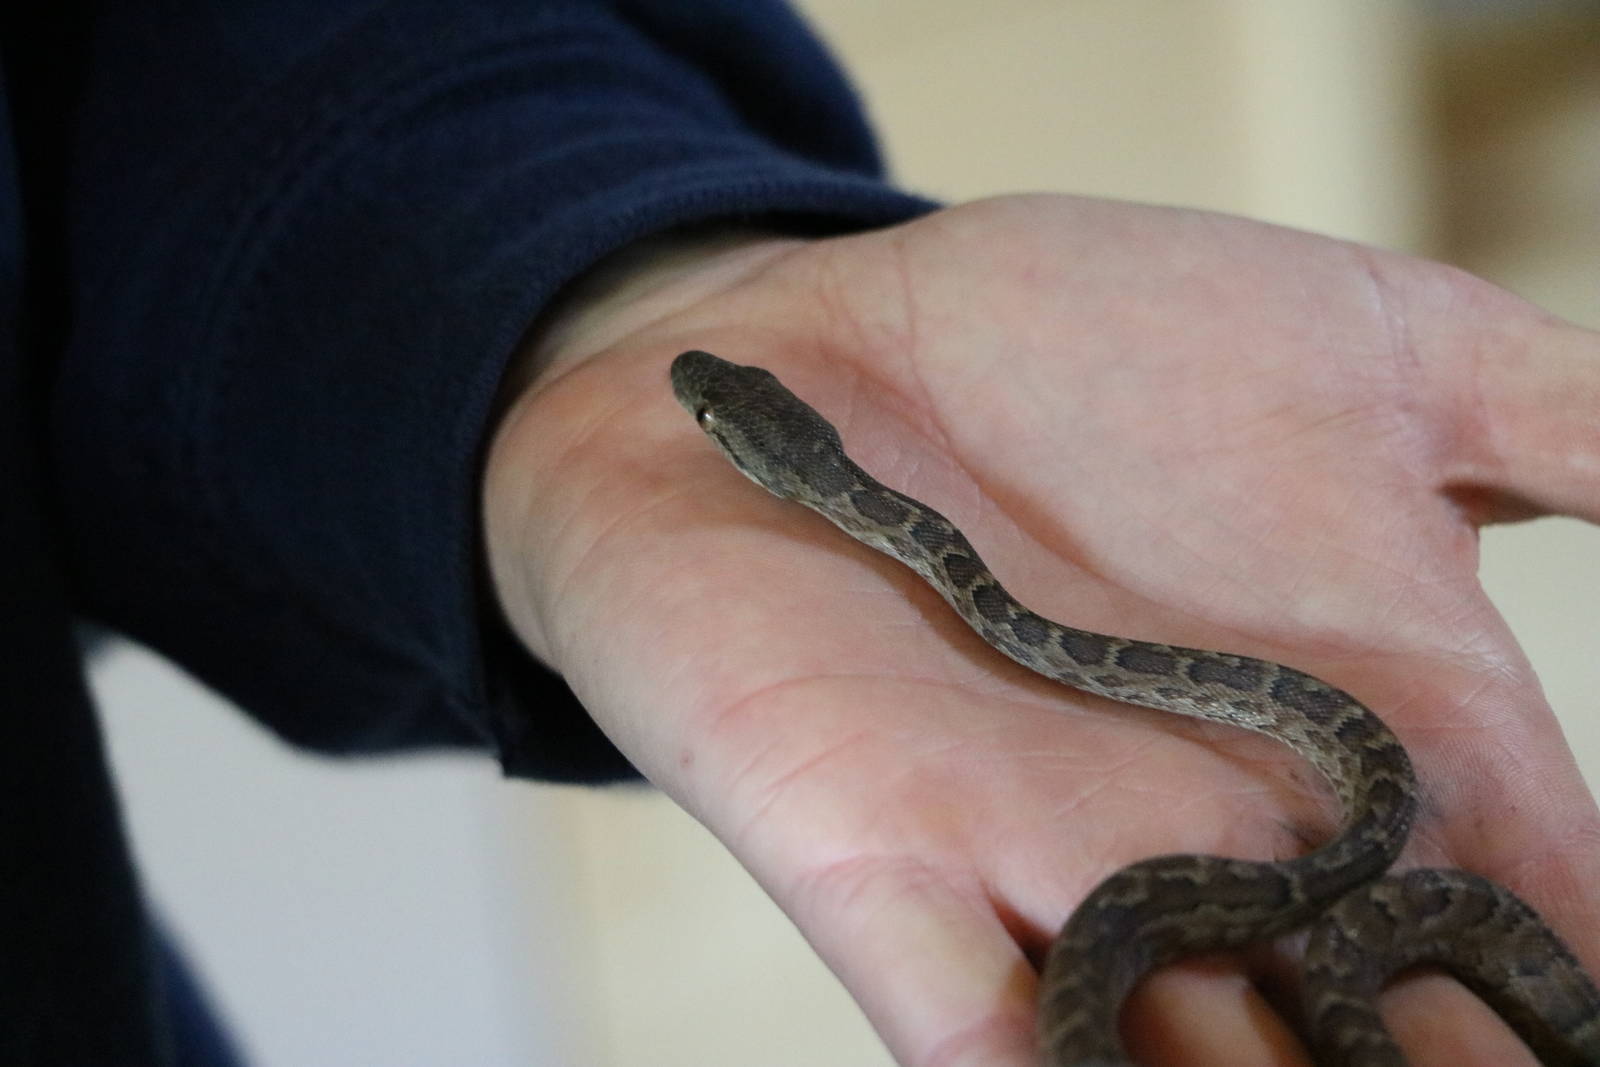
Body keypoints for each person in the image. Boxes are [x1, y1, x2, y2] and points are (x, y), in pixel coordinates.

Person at [4, 2, 1596, 1064]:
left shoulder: (864, 494)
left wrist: (574, 296)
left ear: (794, 462)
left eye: (724, 423)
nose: (712, 419)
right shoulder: (858, 505)